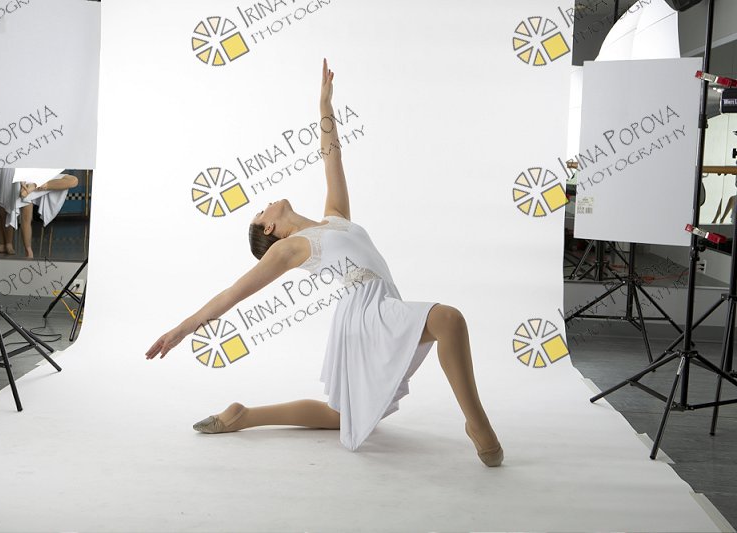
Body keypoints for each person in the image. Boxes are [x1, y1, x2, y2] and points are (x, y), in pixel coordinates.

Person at [145, 59, 503, 466]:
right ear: (270, 229)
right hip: (365, 311)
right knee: (448, 320)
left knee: (341, 417)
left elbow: (332, 157)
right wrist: (180, 330)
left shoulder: (334, 217)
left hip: (379, 305)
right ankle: (478, 425)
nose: (265, 205)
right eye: (260, 213)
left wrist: (324, 107)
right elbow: (232, 294)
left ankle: (244, 416)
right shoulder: (290, 249)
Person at [0, 169, 79, 258]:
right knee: (22, 215)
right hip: (25, 175)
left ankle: (36, 185)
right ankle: (27, 251)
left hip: (35, 174)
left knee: (73, 180)